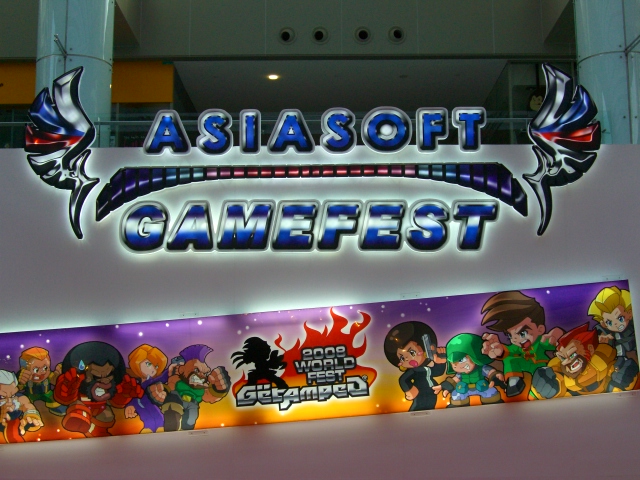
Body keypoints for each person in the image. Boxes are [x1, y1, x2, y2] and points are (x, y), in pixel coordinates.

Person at [481, 291, 563, 399]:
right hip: (524, 372)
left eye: (522, 333)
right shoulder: (516, 347)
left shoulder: (540, 341)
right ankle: (514, 382)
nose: (515, 339)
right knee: (510, 359)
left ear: (540, 329)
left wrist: (556, 335)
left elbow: (551, 341)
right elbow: (508, 351)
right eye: (510, 335)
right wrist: (499, 350)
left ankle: (547, 386)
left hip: (541, 369)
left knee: (543, 378)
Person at [384, 321, 447, 411]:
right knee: (418, 407)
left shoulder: (426, 369)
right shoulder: (413, 371)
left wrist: (440, 361)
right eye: (402, 358)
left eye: (412, 352)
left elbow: (438, 372)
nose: (407, 359)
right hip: (420, 393)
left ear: (426, 349)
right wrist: (409, 389)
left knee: (430, 407)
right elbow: (403, 379)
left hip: (432, 393)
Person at [440, 333, 504, 407]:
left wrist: (496, 376)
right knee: (456, 396)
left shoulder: (481, 368)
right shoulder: (460, 373)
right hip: (464, 389)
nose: (456, 366)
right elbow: (455, 380)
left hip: (482, 387)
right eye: (453, 363)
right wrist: (446, 387)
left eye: (461, 360)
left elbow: (491, 372)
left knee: (491, 393)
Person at [126, 344, 169, 433]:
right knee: (145, 418)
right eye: (148, 364)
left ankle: (160, 427)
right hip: (139, 407)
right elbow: (131, 395)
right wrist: (129, 405)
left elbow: (163, 377)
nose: (152, 369)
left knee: (157, 417)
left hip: (150, 405)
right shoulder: (134, 383)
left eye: (156, 366)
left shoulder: (152, 381)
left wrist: (171, 369)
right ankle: (149, 428)